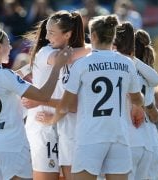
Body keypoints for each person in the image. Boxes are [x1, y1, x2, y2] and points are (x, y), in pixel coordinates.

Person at [0, 22, 71, 180]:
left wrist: (30, 68)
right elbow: (43, 95)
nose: (10, 48)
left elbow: (4, 81)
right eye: (8, 44)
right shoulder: (5, 76)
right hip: (11, 146)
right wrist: (57, 67)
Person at [46, 15, 144, 180]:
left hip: (90, 136)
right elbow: (137, 98)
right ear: (113, 36)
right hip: (118, 135)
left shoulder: (82, 64)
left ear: (94, 36)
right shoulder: (127, 63)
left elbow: (65, 105)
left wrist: (52, 120)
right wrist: (137, 106)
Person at [22, 10, 91, 180]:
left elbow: (73, 104)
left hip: (66, 126)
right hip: (42, 126)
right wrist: (97, 46)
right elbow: (64, 58)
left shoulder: (80, 60)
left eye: (52, 32)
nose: (46, 36)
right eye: (46, 31)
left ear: (67, 34)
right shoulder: (46, 52)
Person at [113, 22, 158, 180]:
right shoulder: (146, 74)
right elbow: (156, 79)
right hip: (147, 141)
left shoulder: (121, 68)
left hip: (127, 139)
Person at [135, 29, 158, 179]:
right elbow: (155, 115)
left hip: (132, 137)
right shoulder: (148, 72)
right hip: (152, 140)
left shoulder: (125, 67)